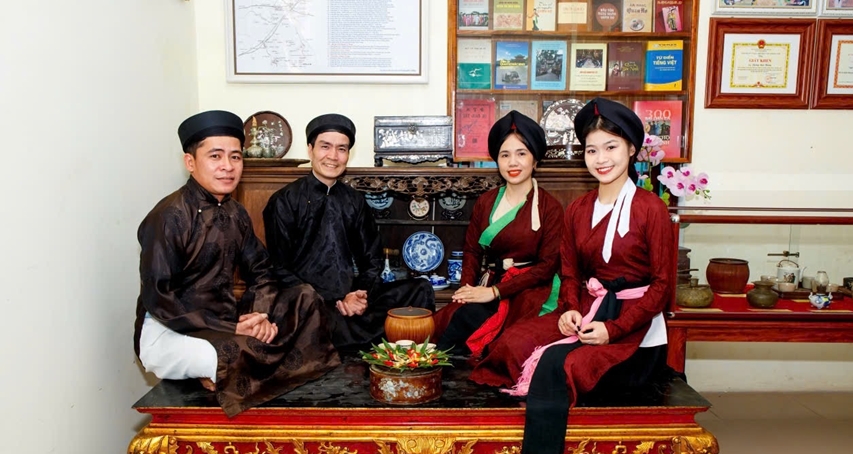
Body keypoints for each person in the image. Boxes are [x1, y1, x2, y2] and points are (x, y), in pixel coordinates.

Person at [471, 98, 676, 454]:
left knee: (565, 364)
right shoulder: (579, 209)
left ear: (632, 149)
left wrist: (613, 329)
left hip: (633, 324)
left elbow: (663, 286)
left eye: (611, 147)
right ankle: (494, 437)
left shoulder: (651, 209)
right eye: (592, 150)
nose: (601, 159)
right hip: (585, 308)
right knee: (514, 342)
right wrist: (568, 309)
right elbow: (569, 273)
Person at [134, 110, 341, 417]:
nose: (228, 166)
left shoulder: (236, 213)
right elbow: (160, 299)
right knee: (235, 351)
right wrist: (234, 328)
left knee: (306, 299)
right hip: (173, 332)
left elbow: (262, 272)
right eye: (215, 156)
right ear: (190, 162)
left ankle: (228, 374)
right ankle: (221, 370)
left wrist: (258, 315)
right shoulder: (168, 217)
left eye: (235, 157)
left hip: (230, 321)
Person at [263, 113, 435, 352]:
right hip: (310, 302)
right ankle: (358, 339)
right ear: (310, 149)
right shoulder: (284, 201)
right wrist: (332, 300)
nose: (333, 156)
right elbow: (279, 268)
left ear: (348, 154)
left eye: (341, 149)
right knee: (320, 318)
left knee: (419, 290)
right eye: (325, 147)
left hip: (351, 299)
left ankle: (346, 339)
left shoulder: (354, 201)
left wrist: (358, 295)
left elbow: (372, 260)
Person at [434, 111, 563, 358]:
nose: (513, 163)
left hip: (530, 290)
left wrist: (494, 293)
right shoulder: (486, 201)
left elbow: (547, 267)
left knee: (503, 341)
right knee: (449, 319)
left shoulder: (550, 207)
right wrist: (467, 289)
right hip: (491, 282)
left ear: (535, 160)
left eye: (521, 154)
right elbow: (472, 250)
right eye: (505, 155)